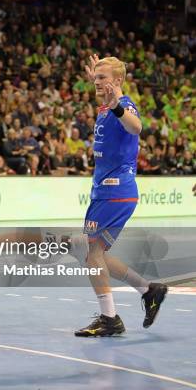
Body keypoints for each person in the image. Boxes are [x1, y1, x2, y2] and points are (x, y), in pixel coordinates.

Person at [71, 55, 167, 337]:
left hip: (114, 190)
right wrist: (100, 86)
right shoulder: (106, 104)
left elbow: (136, 127)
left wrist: (115, 106)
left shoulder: (123, 106)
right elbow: (108, 99)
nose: (98, 83)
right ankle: (148, 290)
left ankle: (109, 319)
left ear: (119, 81)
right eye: (96, 78)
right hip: (109, 190)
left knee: (92, 254)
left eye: (103, 78)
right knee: (93, 253)